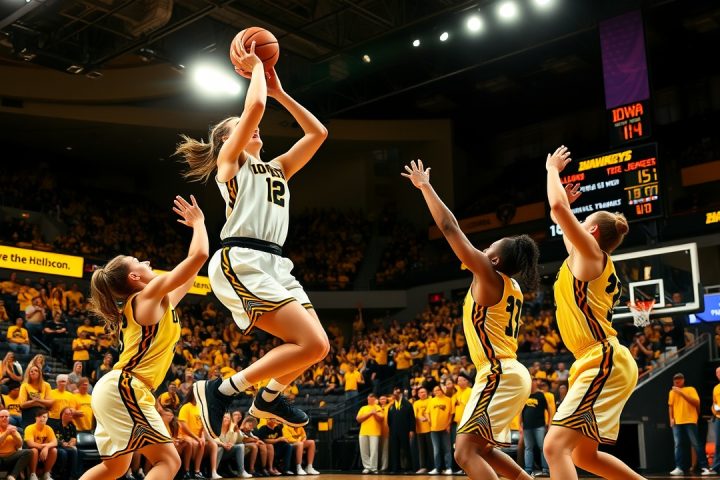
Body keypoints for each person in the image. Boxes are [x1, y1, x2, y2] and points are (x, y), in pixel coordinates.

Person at [176, 40, 330, 438]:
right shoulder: (230, 165)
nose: (252, 126)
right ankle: (220, 390)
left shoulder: (277, 167)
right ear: (227, 141)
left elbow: (318, 132)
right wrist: (258, 67)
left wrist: (281, 93)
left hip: (276, 263)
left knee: (319, 347)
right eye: (239, 126)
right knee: (308, 342)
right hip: (241, 258)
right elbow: (255, 106)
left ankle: (269, 397)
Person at [403, 160, 539, 480]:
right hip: (507, 372)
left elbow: (449, 227)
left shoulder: (489, 275)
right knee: (483, 450)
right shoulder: (511, 285)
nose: (483, 248)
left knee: (464, 453)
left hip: (498, 372)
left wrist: (425, 186)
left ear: (494, 260)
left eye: (489, 247)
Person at [79, 195, 208, 480]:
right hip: (126, 387)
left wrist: (200, 236)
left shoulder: (157, 302)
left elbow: (192, 270)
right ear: (134, 278)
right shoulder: (146, 297)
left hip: (117, 388)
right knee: (168, 462)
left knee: (114, 468)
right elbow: (198, 256)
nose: (147, 261)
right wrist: (199, 223)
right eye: (138, 261)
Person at [542, 145, 643, 480]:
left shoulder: (590, 254)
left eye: (583, 222)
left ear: (593, 232)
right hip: (596, 359)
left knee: (554, 447)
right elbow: (560, 215)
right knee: (583, 455)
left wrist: (552, 170)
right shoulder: (583, 255)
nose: (578, 224)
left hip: (602, 358)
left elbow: (557, 208)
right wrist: (568, 209)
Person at [668, 373, 711, 475]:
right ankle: (679, 467)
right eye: (675, 380)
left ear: (683, 380)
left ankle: (704, 467)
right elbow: (670, 406)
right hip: (677, 421)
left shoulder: (691, 389)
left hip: (690, 420)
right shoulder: (672, 392)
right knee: (678, 444)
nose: (677, 382)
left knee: (696, 443)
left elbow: (696, 402)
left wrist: (681, 392)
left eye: (679, 380)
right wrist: (671, 418)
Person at [521, 377, 550, 476]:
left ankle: (545, 469)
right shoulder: (525, 395)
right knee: (528, 448)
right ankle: (528, 469)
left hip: (539, 426)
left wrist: (549, 423)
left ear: (535, 383)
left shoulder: (540, 395)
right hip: (527, 426)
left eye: (532, 382)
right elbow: (521, 411)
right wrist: (520, 425)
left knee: (542, 447)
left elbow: (549, 410)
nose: (531, 383)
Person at [387, 386, 415, 473]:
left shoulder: (408, 404)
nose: (396, 394)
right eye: (395, 393)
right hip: (394, 432)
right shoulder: (391, 407)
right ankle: (395, 468)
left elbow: (412, 418)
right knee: (394, 450)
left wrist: (411, 430)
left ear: (401, 394)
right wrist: (391, 430)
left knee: (406, 449)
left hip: (405, 431)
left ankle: (408, 468)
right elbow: (389, 421)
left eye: (398, 393)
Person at [24, 408, 57, 480]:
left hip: (44, 451)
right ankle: (33, 474)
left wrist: (47, 447)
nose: (42, 418)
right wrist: (44, 447)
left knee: (54, 450)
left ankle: (46, 474)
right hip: (32, 451)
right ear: (36, 418)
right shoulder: (29, 428)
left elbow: (55, 442)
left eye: (45, 417)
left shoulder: (48, 428)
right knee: (34, 450)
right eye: (40, 416)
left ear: (47, 419)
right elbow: (30, 443)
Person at [0, 408, 32, 480]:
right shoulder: (8, 430)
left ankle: (12, 476)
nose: (4, 418)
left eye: (6, 416)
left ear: (9, 418)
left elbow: (19, 445)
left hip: (11, 457)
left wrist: (14, 435)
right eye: (2, 417)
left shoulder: (13, 429)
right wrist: (6, 433)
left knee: (28, 452)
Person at [356, 393, 383, 474]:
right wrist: (370, 413)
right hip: (363, 432)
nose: (369, 400)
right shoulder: (363, 408)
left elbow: (381, 418)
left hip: (374, 432)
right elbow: (358, 419)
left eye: (371, 398)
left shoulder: (378, 407)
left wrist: (375, 413)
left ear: (375, 399)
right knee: (364, 451)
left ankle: (374, 468)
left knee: (374, 451)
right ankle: (367, 467)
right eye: (368, 398)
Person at [56, 406, 81, 480]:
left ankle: (73, 475)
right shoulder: (56, 425)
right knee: (65, 452)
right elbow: (54, 438)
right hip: (58, 446)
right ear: (63, 415)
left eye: (71, 414)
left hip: (68, 446)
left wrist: (72, 443)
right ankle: (62, 474)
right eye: (68, 414)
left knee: (76, 450)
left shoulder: (72, 426)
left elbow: (74, 438)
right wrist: (62, 443)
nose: (71, 416)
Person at [712, 367, 720, 474]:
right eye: (717, 373)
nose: (718, 374)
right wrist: (714, 409)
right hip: (718, 418)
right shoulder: (716, 388)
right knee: (718, 443)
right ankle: (716, 467)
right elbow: (714, 403)